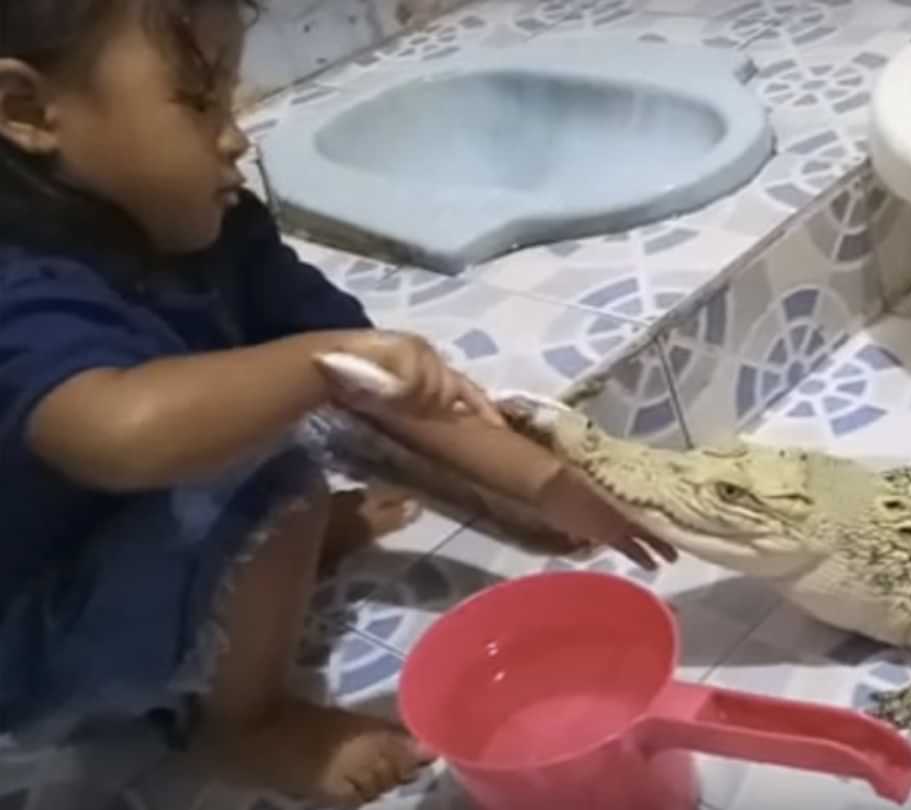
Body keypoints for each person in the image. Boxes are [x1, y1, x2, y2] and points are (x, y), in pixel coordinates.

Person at [0, 1, 677, 806]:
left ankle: (239, 568)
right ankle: (246, 725)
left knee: (280, 407)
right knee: (276, 471)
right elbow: (117, 435)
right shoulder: (17, 281)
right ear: (29, 112)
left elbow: (381, 392)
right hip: (30, 646)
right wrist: (316, 368)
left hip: (114, 549)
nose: (237, 134)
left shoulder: (222, 228)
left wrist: (550, 488)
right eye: (200, 99)